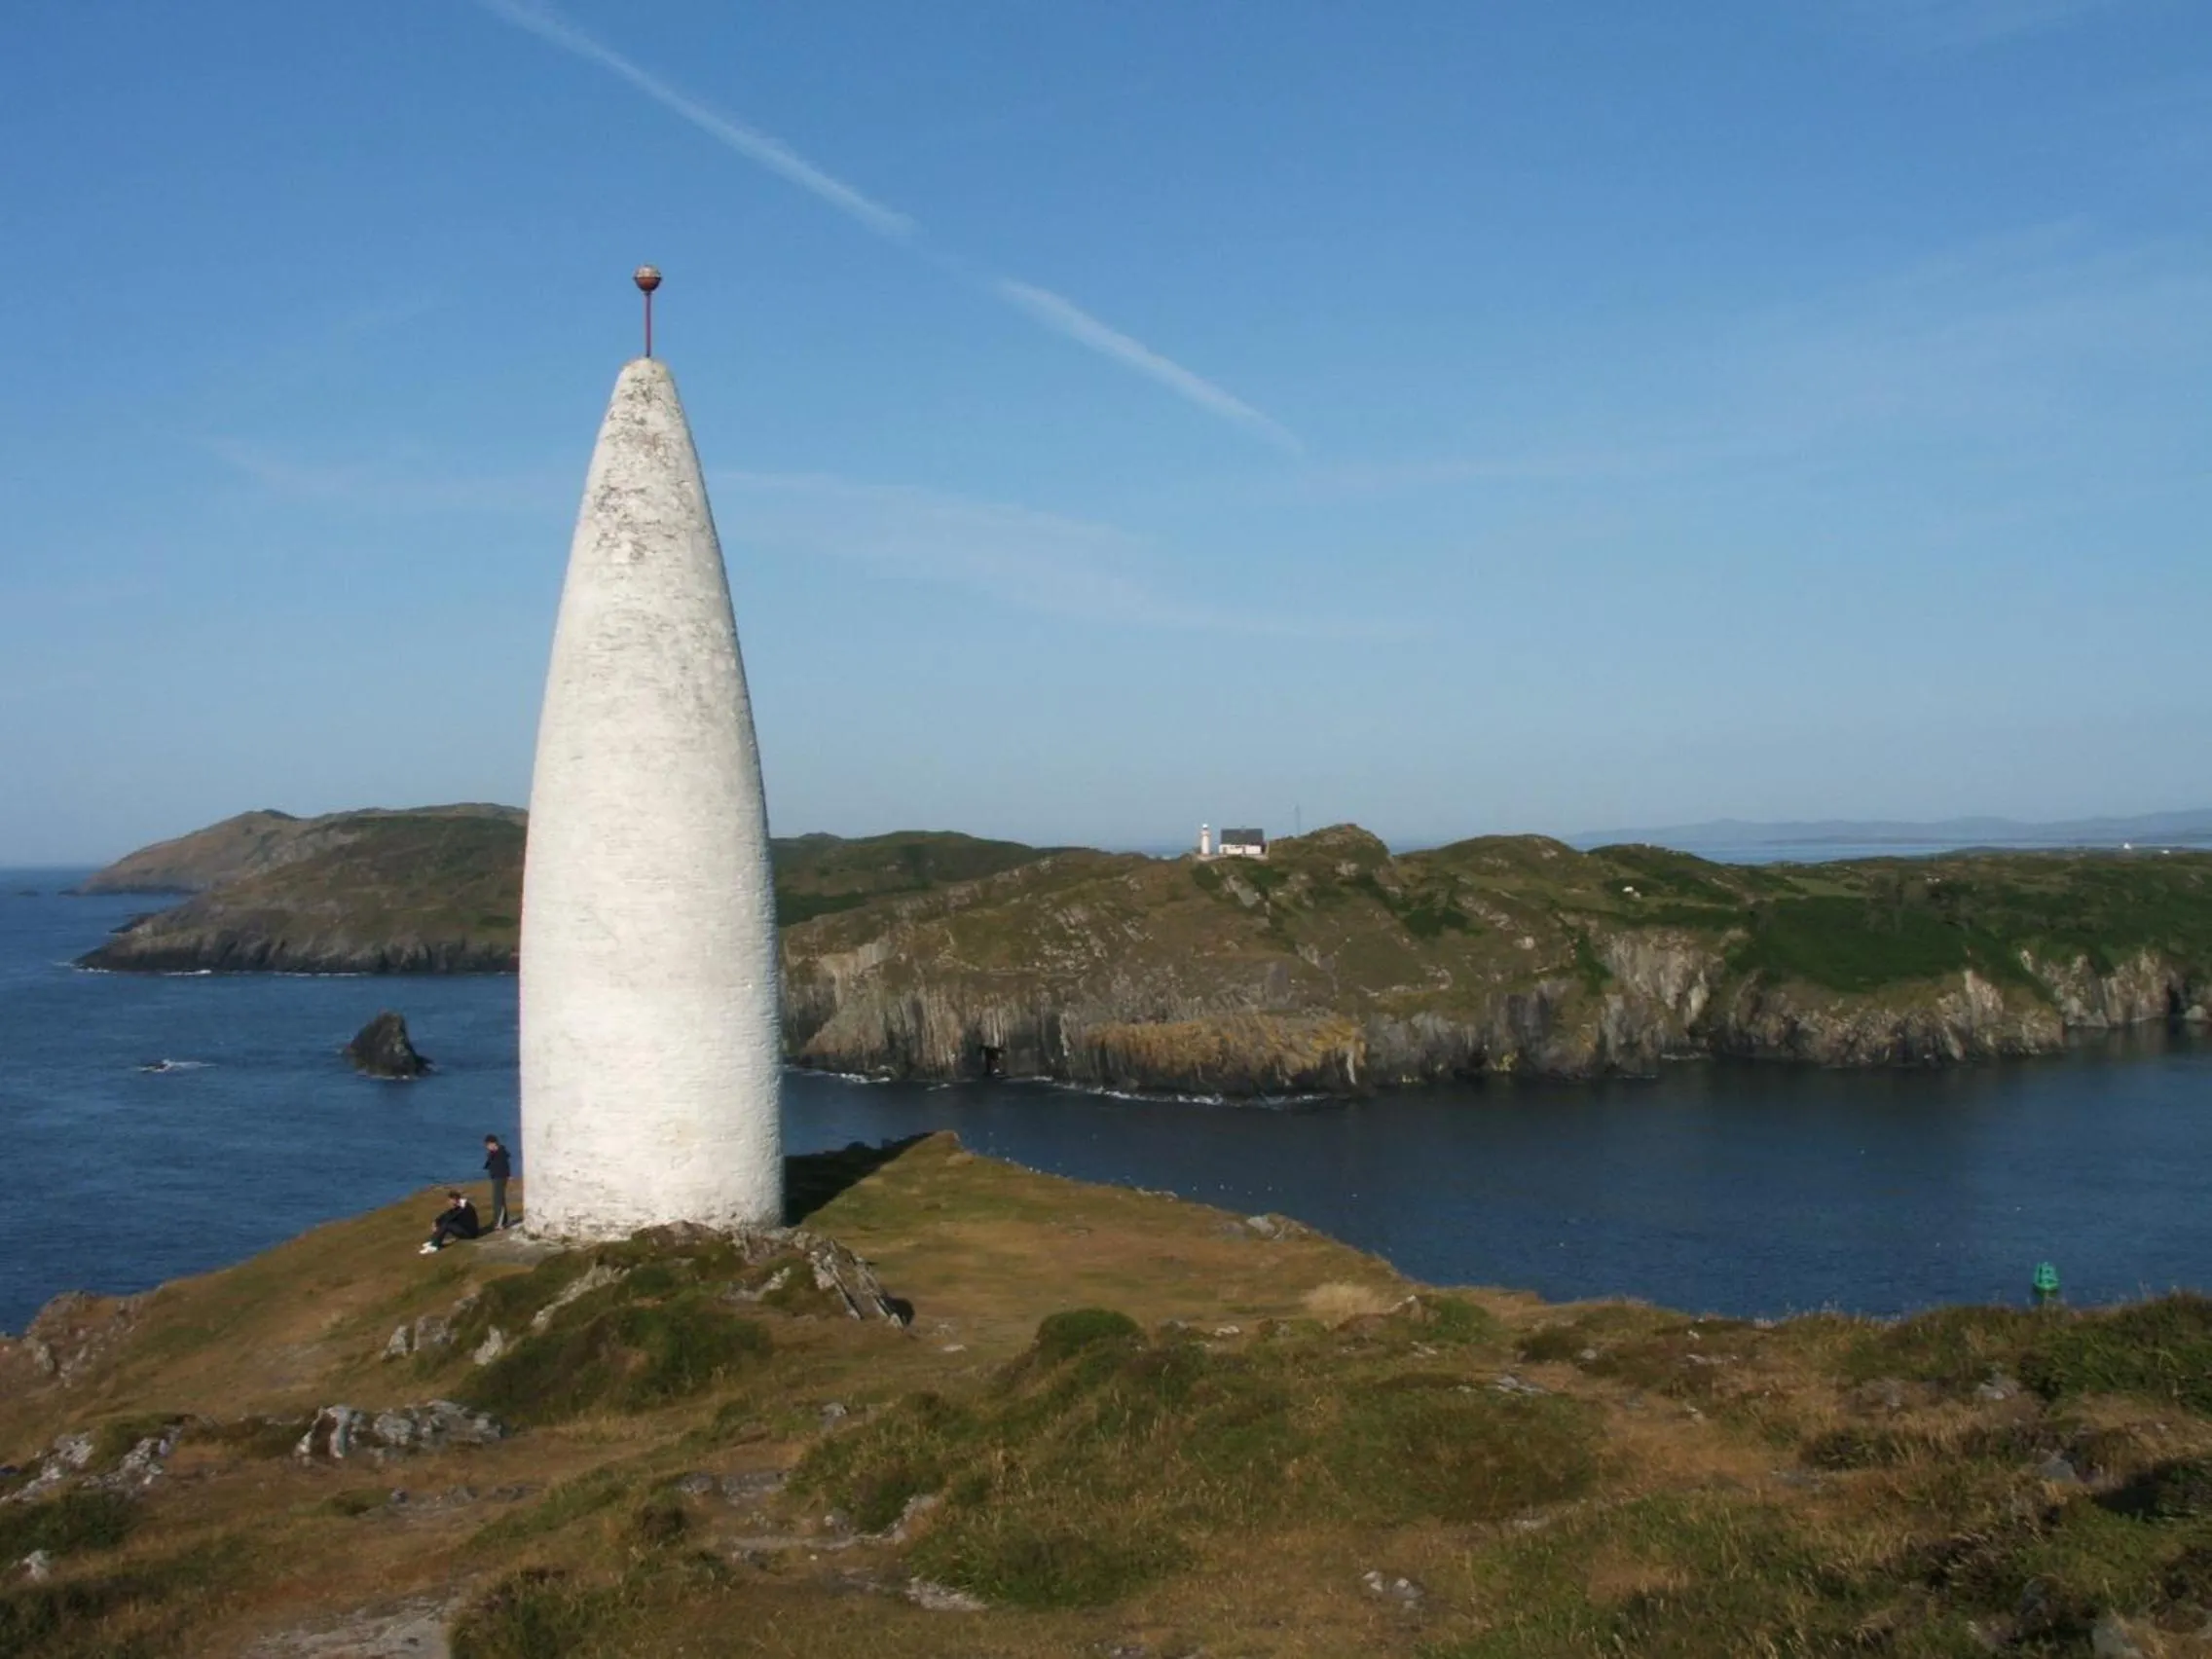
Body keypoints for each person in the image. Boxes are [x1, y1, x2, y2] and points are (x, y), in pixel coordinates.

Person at [421, 1190, 481, 1255]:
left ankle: (434, 1246)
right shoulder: (460, 1205)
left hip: (470, 1234)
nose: (449, 1202)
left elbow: (450, 1217)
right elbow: (447, 1214)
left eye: (450, 1200)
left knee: (447, 1224)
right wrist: (436, 1222)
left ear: (455, 1199)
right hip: (465, 1228)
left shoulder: (463, 1207)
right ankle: (434, 1240)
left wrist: (437, 1224)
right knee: (445, 1222)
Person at [483, 1133, 513, 1230]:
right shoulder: (493, 1153)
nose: (487, 1147)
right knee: (498, 1199)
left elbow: (505, 1166)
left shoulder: (501, 1152)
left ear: (493, 1143)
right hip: (496, 1177)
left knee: (498, 1200)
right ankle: (500, 1221)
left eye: (488, 1144)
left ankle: (500, 1222)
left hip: (500, 1177)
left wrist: (508, 1176)